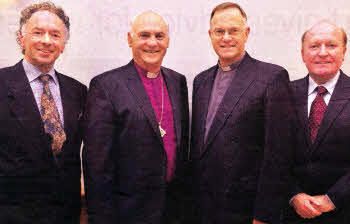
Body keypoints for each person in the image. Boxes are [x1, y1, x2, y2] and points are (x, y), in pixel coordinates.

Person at [190, 2, 294, 224]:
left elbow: (278, 155)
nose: (226, 37)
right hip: (203, 208)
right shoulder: (201, 80)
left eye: (233, 30)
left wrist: (265, 215)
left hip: (245, 210)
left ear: (246, 33)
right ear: (210, 35)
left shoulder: (271, 77)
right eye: (219, 31)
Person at [82, 11, 189, 224]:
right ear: (130, 39)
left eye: (159, 36)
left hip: (173, 211)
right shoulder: (106, 86)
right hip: (126, 213)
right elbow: (96, 163)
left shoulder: (178, 81)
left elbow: (181, 149)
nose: (152, 43)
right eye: (144, 35)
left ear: (167, 41)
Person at [0, 2, 87, 224]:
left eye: (55, 35)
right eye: (38, 32)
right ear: (21, 38)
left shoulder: (78, 91)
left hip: (65, 213)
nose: (46, 41)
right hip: (12, 214)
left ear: (63, 44)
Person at [279, 20, 350, 224]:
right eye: (314, 46)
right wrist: (294, 196)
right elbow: (272, 155)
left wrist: (332, 199)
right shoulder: (283, 94)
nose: (322, 52)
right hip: (291, 214)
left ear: (344, 52)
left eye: (331, 45)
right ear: (302, 54)